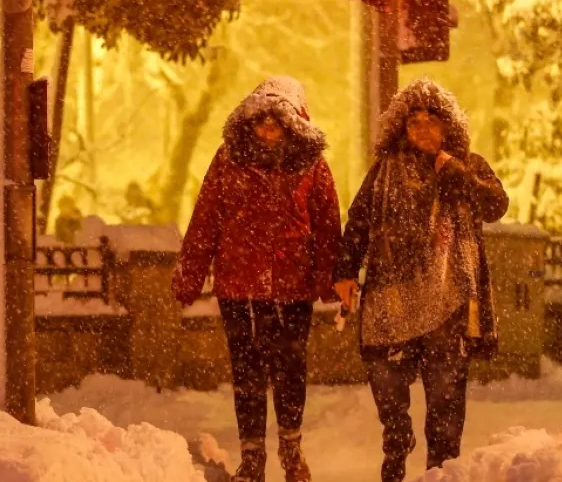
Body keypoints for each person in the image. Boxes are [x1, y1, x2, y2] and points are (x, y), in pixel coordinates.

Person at [333, 79, 508, 482]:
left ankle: (441, 472)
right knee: (385, 380)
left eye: (432, 121)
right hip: (391, 300)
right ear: (401, 128)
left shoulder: (468, 164)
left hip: (448, 302)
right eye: (414, 122)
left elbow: (496, 205)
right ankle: (397, 440)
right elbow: (358, 221)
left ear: (449, 126)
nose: (423, 129)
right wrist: (344, 272)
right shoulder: (385, 170)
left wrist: (455, 172)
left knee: (445, 403)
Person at [173, 76, 340, 482]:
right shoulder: (228, 159)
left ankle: (291, 448)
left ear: (292, 124)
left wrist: (329, 281)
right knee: (247, 375)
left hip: (291, 286)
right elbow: (207, 218)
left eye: (276, 122)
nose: (267, 130)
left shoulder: (312, 166)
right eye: (261, 121)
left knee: (290, 371)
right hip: (239, 286)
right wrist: (189, 276)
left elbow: (327, 225)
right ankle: (252, 457)